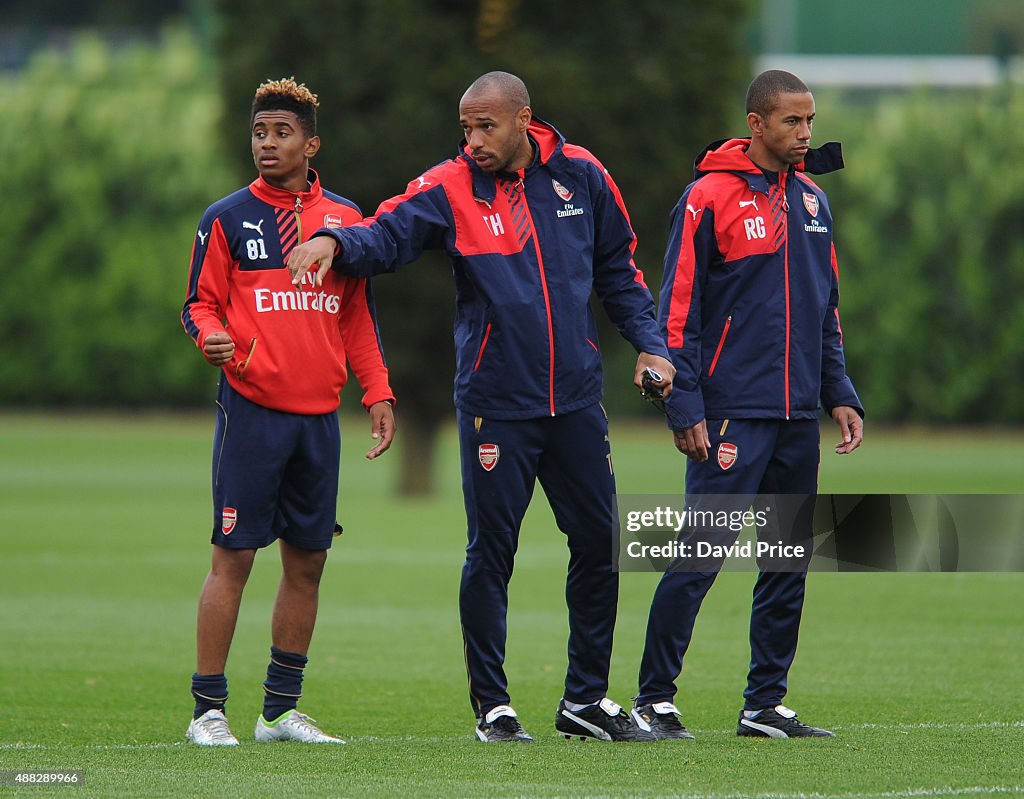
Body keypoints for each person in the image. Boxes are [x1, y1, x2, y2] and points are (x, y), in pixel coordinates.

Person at [286, 71, 674, 743]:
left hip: (576, 400)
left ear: (525, 119)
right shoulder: (449, 185)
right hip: (497, 403)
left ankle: (586, 699)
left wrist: (650, 344)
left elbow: (620, 271)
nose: (474, 140)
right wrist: (335, 242)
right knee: (492, 551)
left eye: (486, 126)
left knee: (597, 544)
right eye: (465, 128)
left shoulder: (581, 176)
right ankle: (493, 706)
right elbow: (386, 234)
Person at [631, 70, 864, 740]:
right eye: (793, 122)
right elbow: (677, 315)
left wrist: (838, 393)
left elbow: (826, 312)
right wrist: (684, 408)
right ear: (756, 124)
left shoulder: (815, 201)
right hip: (731, 414)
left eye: (811, 120)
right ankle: (655, 698)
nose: (806, 134)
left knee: (787, 560)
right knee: (700, 556)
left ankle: (764, 703)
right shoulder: (708, 197)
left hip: (797, 417)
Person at [180, 77, 396, 746]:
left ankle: (278, 710)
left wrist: (379, 390)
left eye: (281, 133)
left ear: (311, 142)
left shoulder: (346, 219)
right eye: (259, 133)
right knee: (234, 558)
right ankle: (207, 712)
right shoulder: (226, 217)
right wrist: (208, 335)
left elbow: (356, 314)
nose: (267, 144)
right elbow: (197, 303)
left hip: (318, 419)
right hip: (252, 412)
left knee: (307, 563)